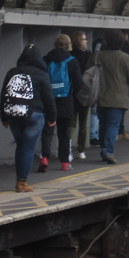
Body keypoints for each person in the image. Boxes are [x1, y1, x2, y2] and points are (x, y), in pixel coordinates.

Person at [0, 44, 57, 192]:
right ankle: (21, 182)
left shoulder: (12, 72)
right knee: (27, 147)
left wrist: (3, 117)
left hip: (14, 115)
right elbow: (49, 99)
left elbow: (4, 96)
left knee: (21, 146)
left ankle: (20, 179)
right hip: (34, 115)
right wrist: (52, 117)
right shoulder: (42, 74)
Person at [96, 29, 129, 164]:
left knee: (103, 125)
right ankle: (108, 151)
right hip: (119, 99)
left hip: (100, 96)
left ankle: (103, 148)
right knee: (113, 125)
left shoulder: (97, 57)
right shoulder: (126, 59)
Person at [41, 34, 85, 171]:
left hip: (49, 100)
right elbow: (78, 83)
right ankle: (65, 163)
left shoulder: (45, 59)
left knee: (47, 130)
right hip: (66, 100)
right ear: (68, 45)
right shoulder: (72, 61)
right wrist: (72, 93)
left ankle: (44, 158)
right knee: (64, 133)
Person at [70, 30, 93, 161]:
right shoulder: (88, 55)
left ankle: (68, 147)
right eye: (84, 39)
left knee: (72, 122)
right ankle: (81, 150)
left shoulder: (70, 54)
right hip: (84, 92)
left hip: (72, 92)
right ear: (80, 40)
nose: (86, 41)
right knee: (83, 124)